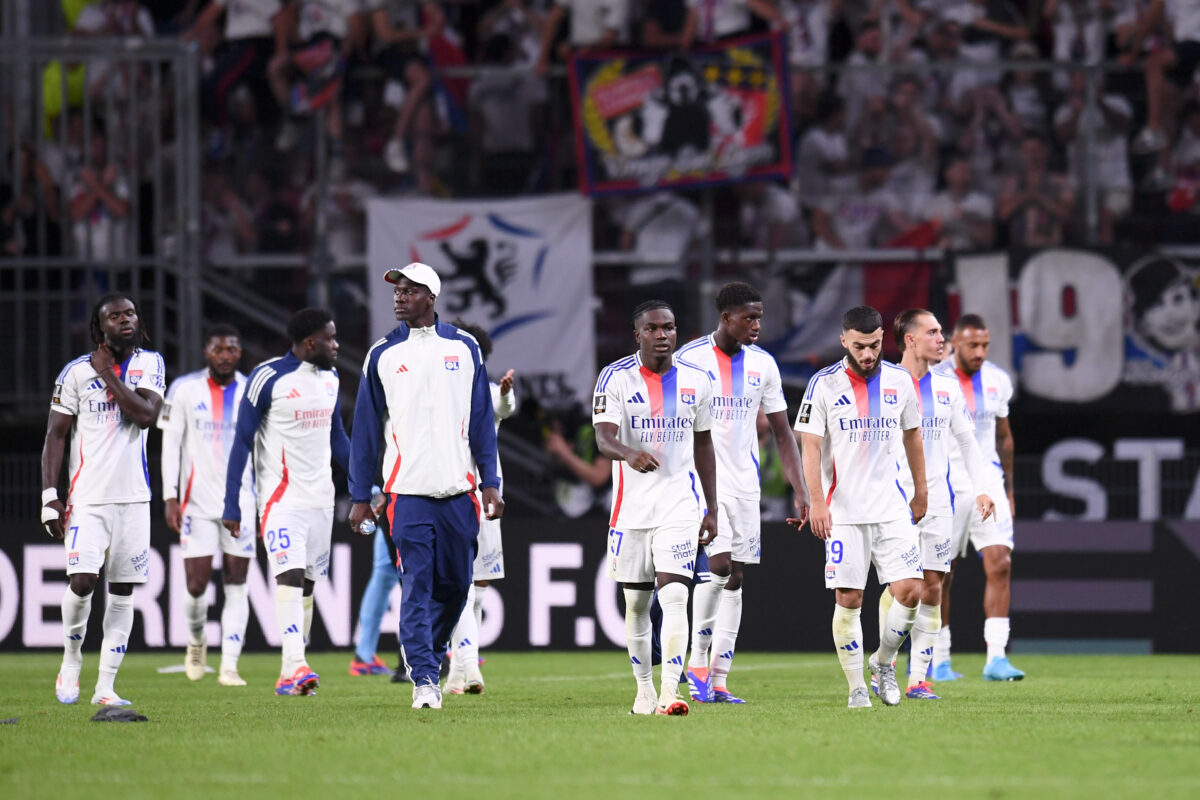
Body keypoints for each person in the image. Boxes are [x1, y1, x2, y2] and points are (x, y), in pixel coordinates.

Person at [348, 262, 504, 711]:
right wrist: (360, 496)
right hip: (407, 494)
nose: (399, 297)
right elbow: (365, 430)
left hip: (459, 492)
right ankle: (423, 679)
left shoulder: (465, 347)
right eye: (397, 290)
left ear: (431, 297)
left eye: (409, 290)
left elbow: (482, 420)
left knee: (456, 588)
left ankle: (428, 658)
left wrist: (490, 481)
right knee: (416, 586)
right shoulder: (382, 353)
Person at [675, 282, 810, 704]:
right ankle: (697, 662)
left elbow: (783, 433)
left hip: (745, 485)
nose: (756, 325)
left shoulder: (763, 365)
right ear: (726, 318)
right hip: (702, 484)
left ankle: (718, 680)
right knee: (717, 567)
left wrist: (800, 488)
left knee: (735, 577)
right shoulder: (689, 360)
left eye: (759, 318)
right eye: (749, 318)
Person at [793, 305, 927, 709]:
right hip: (845, 512)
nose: (868, 354)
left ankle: (883, 662)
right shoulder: (823, 384)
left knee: (910, 592)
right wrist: (817, 501)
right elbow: (810, 446)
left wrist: (921, 490)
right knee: (849, 598)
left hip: (891, 507)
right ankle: (856, 688)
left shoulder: (900, 381)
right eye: (858, 347)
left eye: (874, 345)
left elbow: (913, 436)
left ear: (883, 338)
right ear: (843, 342)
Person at [593, 300, 718, 717]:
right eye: (653, 328)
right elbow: (603, 438)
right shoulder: (614, 377)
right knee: (636, 605)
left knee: (676, 595)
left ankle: (669, 691)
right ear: (638, 335)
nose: (662, 335)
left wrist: (712, 508)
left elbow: (704, 445)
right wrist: (629, 454)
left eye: (669, 327)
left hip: (680, 505)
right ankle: (644, 689)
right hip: (630, 511)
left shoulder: (698, 380)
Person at [42, 294, 166, 706]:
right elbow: (56, 435)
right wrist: (50, 496)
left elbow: (145, 416)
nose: (125, 320)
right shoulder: (76, 373)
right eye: (114, 316)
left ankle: (105, 687)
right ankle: (71, 658)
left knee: (123, 590)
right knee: (82, 582)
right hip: (88, 498)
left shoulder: (151, 364)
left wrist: (108, 375)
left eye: (129, 313)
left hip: (133, 498)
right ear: (100, 328)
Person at [222, 307, 351, 696]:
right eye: (330, 338)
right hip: (281, 500)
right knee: (290, 576)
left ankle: (288, 672)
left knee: (307, 585)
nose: (336, 345)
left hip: (321, 501)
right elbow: (242, 442)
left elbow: (338, 438)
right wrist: (232, 503)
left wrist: (367, 485)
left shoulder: (330, 378)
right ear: (310, 342)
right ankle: (297, 665)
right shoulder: (267, 377)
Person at [882, 309, 995, 701]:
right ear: (910, 339)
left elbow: (967, 442)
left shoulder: (947, 387)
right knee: (905, 589)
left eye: (940, 331)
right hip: (892, 503)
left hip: (939, 504)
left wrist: (982, 489)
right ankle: (884, 662)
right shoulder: (884, 382)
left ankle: (918, 680)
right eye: (932, 332)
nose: (941, 338)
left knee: (932, 588)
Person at [158, 324, 256, 686]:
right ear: (206, 353)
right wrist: (170, 496)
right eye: (218, 349)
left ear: (239, 352)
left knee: (237, 581)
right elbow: (170, 445)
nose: (225, 355)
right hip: (196, 504)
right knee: (196, 586)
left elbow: (263, 447)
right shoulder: (184, 389)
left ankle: (229, 665)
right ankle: (197, 639)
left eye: (231, 349)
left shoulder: (252, 390)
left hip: (242, 503)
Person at [931, 313, 1022, 682]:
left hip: (989, 483)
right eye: (972, 345)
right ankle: (938, 658)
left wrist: (1009, 490)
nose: (980, 352)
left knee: (1000, 563)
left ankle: (996, 658)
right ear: (955, 342)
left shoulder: (998, 380)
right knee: (942, 572)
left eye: (985, 345)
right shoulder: (934, 377)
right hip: (947, 484)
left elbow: (1004, 438)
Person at [445, 321, 517, 695]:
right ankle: (469, 667)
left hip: (486, 496)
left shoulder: (487, 392)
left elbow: (504, 408)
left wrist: (506, 393)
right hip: (451, 496)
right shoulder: (439, 392)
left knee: (479, 586)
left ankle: (457, 673)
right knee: (463, 586)